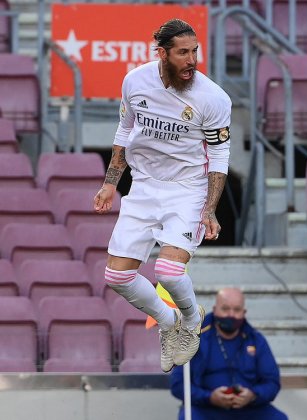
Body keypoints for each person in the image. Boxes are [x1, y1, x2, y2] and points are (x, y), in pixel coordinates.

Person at [93, 18, 232, 373]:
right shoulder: (135, 81)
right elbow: (125, 130)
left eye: (195, 51)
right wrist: (112, 181)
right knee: (117, 277)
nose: (191, 60)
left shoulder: (213, 98)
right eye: (183, 53)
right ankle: (168, 321)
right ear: (162, 53)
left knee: (168, 272)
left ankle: (189, 321)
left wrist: (210, 209)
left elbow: (218, 155)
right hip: (143, 187)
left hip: (187, 190)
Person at [170, 288, 287, 420]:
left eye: (237, 310)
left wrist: (253, 395)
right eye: (225, 309)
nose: (231, 315)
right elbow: (178, 385)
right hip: (206, 408)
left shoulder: (256, 340)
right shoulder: (194, 338)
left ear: (244, 312)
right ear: (214, 310)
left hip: (250, 409)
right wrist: (209, 397)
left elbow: (272, 382)